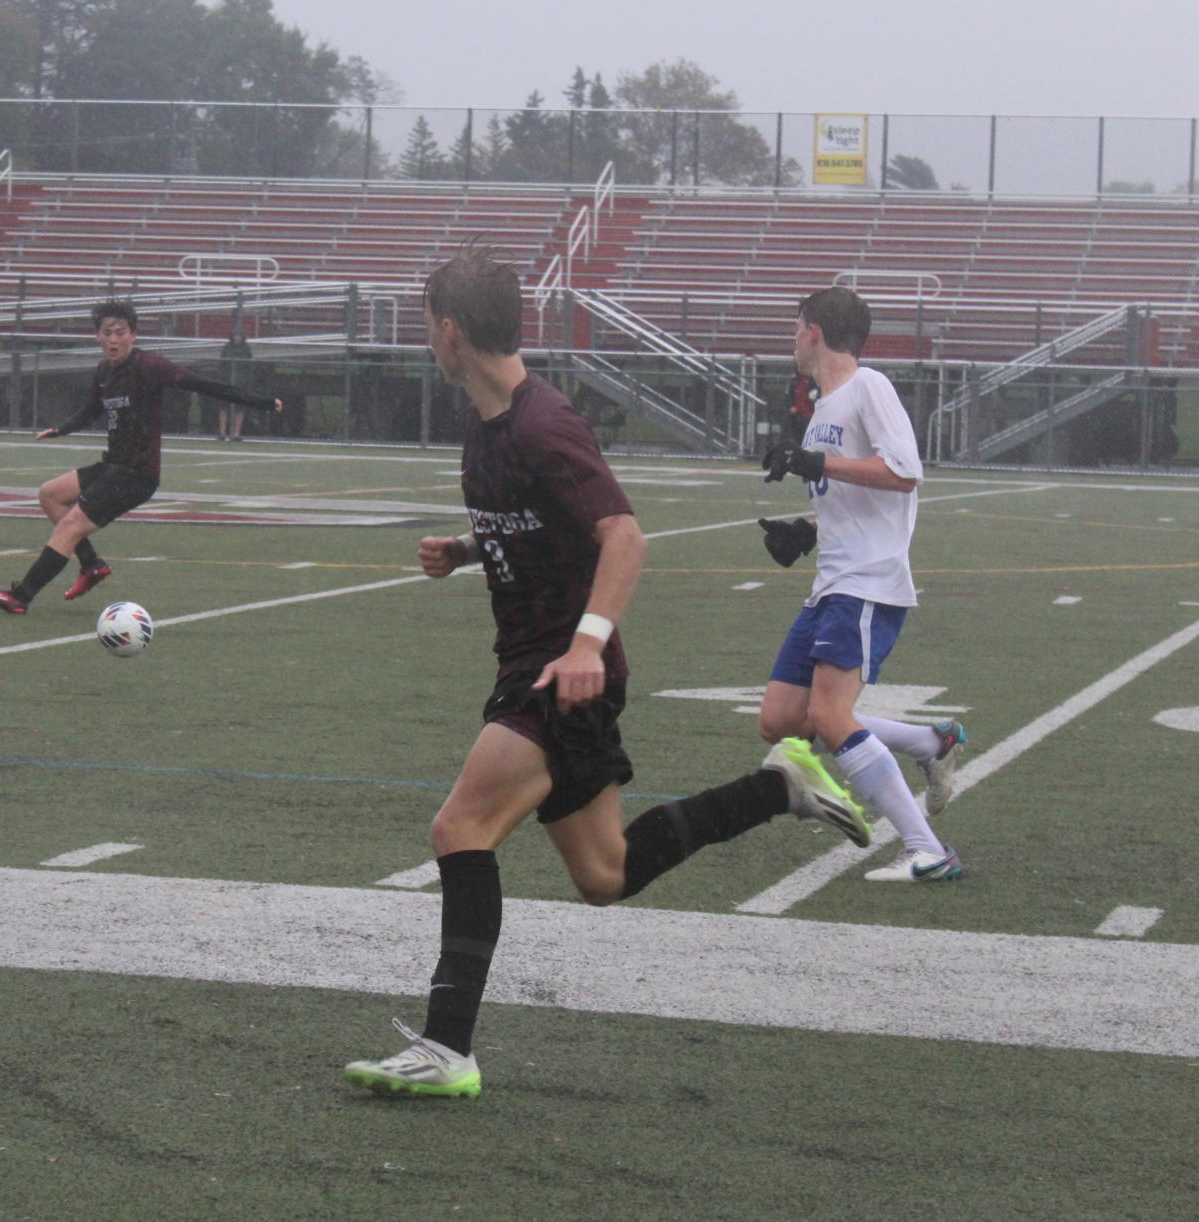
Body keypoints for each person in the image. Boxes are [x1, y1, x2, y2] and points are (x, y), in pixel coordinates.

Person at [341, 249, 873, 1100]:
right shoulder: (486, 423)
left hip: (560, 675)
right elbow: (544, 522)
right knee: (605, 875)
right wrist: (469, 547)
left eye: (425, 324)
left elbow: (623, 535)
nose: (425, 339)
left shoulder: (542, 420)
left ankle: (447, 1048)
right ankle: (775, 789)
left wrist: (586, 645)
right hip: (539, 665)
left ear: (450, 330)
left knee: (458, 830)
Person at [754, 286, 967, 880]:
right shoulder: (825, 406)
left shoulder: (869, 385)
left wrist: (816, 463)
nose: (793, 339)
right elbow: (851, 501)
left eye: (796, 328)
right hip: (832, 583)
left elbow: (904, 472)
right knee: (780, 718)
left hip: (868, 582)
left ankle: (927, 849)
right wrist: (804, 532)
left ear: (815, 331)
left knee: (828, 714)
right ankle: (931, 744)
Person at [0, 300, 283, 614]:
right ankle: (91, 565)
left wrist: (260, 402)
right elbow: (92, 410)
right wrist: (61, 428)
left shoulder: (149, 366)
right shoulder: (105, 371)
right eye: (106, 333)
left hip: (137, 474)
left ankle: (21, 597)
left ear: (133, 336)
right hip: (114, 466)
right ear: (97, 337)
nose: (113, 339)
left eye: (120, 333)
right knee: (50, 495)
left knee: (71, 526)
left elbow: (200, 384)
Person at [216, 325, 256, 441]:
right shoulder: (227, 348)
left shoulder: (246, 349)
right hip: (227, 381)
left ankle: (236, 433)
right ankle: (222, 431)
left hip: (241, 382)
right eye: (235, 336)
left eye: (239, 336)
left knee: (239, 408)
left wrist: (247, 381)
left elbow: (249, 366)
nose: (237, 338)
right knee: (224, 407)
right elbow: (222, 364)